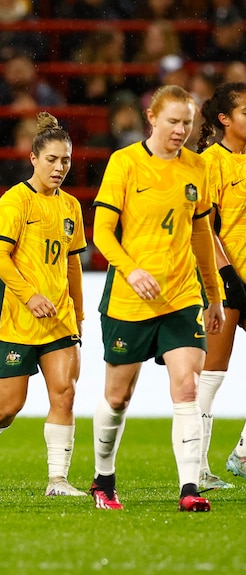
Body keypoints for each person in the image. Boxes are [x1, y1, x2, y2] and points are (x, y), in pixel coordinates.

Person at [88, 85, 224, 512]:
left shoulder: (197, 168)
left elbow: (201, 233)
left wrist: (214, 294)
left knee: (187, 385)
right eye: (173, 121)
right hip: (130, 298)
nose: (181, 130)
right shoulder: (124, 163)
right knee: (117, 396)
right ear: (151, 117)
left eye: (187, 122)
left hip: (182, 293)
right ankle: (103, 479)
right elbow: (102, 233)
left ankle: (189, 488)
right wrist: (132, 269)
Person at [0, 112, 87, 497]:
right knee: (7, 406)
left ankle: (57, 480)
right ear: (33, 158)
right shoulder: (15, 201)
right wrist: (30, 295)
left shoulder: (71, 207)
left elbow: (73, 262)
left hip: (59, 318)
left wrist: (77, 311)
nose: (59, 167)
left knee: (64, 393)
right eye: (52, 160)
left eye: (66, 160)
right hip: (17, 318)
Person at [195, 82, 246, 488]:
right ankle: (196, 468)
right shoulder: (209, 162)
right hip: (224, 280)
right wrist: (227, 275)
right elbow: (205, 227)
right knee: (211, 374)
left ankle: (243, 453)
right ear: (225, 119)